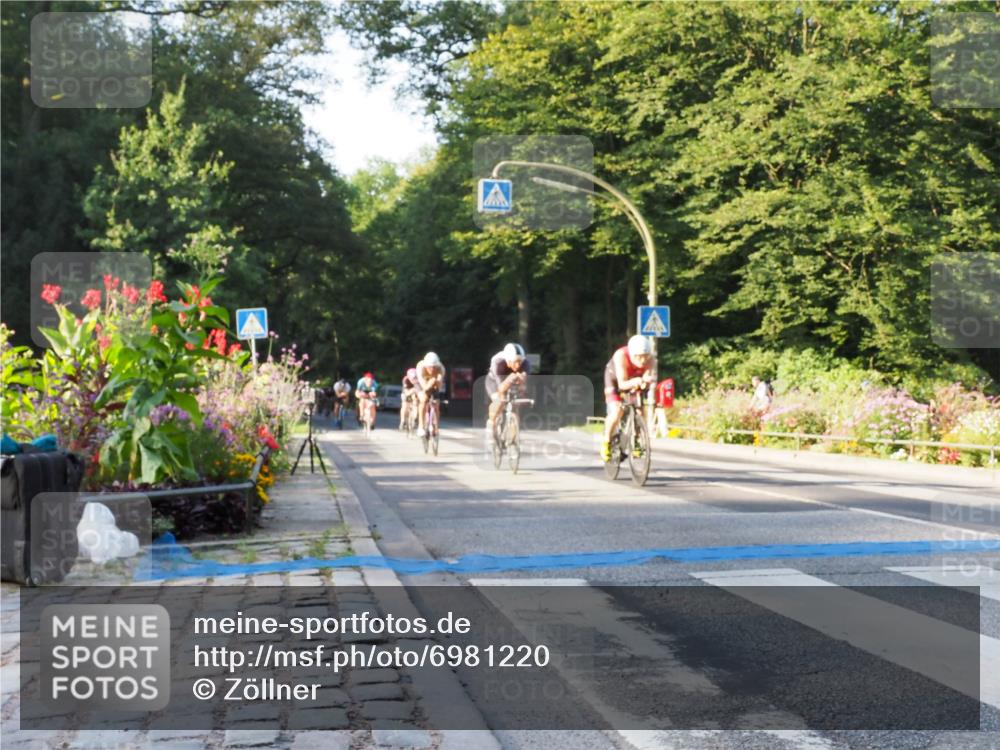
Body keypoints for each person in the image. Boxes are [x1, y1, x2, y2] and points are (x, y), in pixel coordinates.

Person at [602, 335, 655, 461]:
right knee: (617, 412)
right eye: (639, 357)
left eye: (645, 356)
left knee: (640, 411)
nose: (643, 360)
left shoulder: (651, 359)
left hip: (634, 381)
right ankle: (606, 443)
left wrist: (646, 382)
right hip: (615, 380)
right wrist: (638, 380)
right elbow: (622, 384)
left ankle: (636, 440)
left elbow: (648, 379)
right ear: (632, 354)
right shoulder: (621, 356)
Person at [486, 343, 530, 440]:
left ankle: (513, 436)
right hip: (494, 381)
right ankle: (492, 422)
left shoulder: (526, 363)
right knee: (499, 400)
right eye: (515, 362)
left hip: (512, 380)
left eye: (520, 362)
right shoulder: (498, 362)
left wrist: (522, 385)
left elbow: (524, 384)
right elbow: (501, 387)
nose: (518, 365)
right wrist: (510, 378)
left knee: (515, 404)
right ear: (508, 360)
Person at [415, 352, 445, 437]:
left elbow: (439, 386)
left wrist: (437, 381)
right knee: (423, 400)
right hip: (421, 384)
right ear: (426, 365)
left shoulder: (441, 368)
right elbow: (424, 387)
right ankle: (420, 426)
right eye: (429, 367)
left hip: (433, 383)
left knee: (437, 404)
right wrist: (431, 382)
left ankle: (436, 427)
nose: (432, 369)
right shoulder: (420, 367)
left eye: (434, 367)